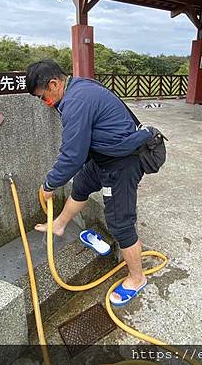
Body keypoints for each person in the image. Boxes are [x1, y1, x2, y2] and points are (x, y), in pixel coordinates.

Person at [25, 59, 152, 306]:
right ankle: (60, 224)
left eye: (43, 97)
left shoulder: (76, 101)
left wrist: (49, 184)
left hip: (122, 162)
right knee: (81, 185)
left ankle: (137, 278)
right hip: (105, 155)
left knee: (120, 223)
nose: (45, 103)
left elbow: (73, 155)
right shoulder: (78, 86)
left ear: (54, 84)